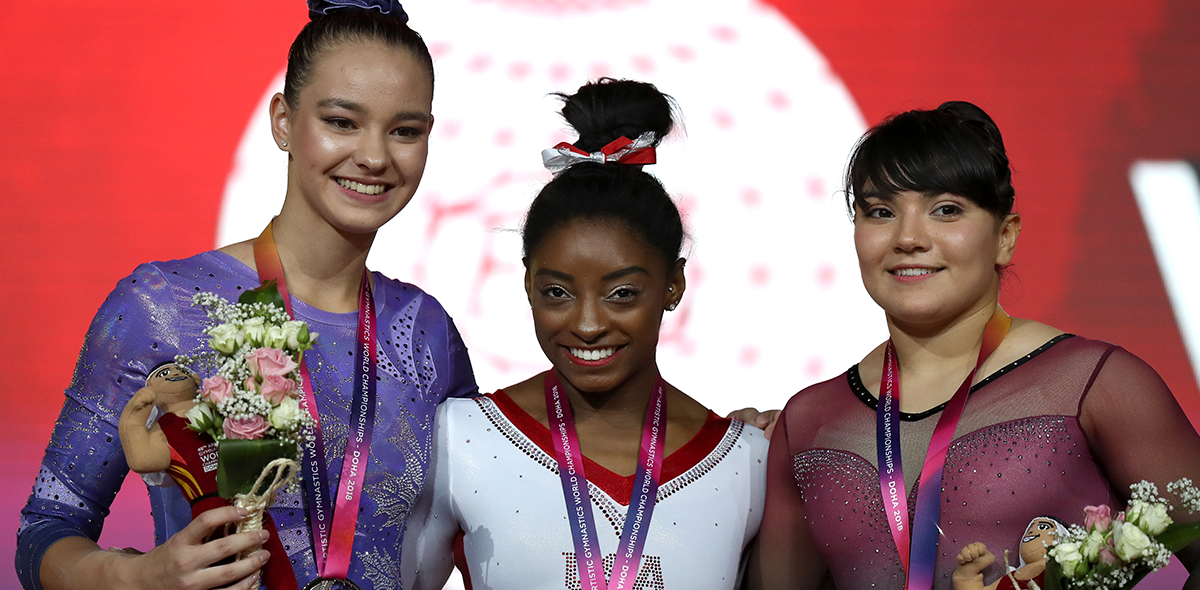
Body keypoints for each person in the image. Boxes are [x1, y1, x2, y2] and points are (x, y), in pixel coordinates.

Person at [16, 2, 476, 589]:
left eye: (404, 131)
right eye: (341, 122)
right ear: (283, 121)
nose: (374, 156)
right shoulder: (161, 306)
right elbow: (46, 531)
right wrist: (140, 578)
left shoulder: (425, 331)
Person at [749, 101, 1200, 590]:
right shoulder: (808, 421)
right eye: (881, 212)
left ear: (1005, 237)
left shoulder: (1095, 384)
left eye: (946, 210)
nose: (908, 238)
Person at [400, 78, 768, 590]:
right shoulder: (457, 436)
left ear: (673, 285)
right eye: (557, 292)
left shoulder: (747, 459)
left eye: (622, 294)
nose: (588, 325)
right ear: (527, 284)